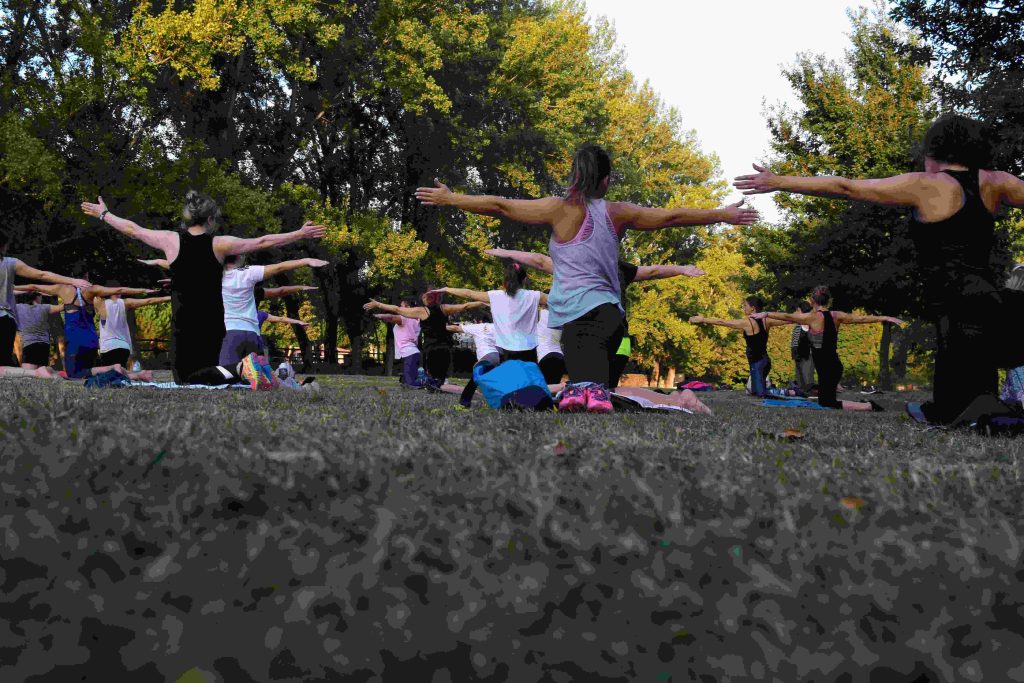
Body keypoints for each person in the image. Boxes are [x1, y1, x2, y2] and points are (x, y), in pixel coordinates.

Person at [417, 144, 757, 413]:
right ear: (606, 180)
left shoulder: (558, 209)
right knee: (590, 391)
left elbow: (501, 206)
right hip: (609, 317)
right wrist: (721, 215)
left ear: (574, 176)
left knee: (594, 395)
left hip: (586, 319)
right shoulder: (618, 212)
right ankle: (671, 400)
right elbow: (671, 216)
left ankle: (679, 401)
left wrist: (452, 199)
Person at [735, 113, 1024, 424]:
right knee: (968, 403)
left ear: (934, 153)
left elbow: (846, 187)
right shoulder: (997, 181)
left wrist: (779, 182)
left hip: (955, 310)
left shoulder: (927, 184)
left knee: (963, 413)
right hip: (988, 301)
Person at [81, 191, 326, 383]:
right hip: (213, 322)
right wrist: (299, 234)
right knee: (205, 374)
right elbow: (262, 242)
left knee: (186, 378)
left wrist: (105, 214)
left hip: (184, 322)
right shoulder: (220, 244)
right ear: (210, 220)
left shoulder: (170, 240)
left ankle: (242, 367)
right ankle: (251, 370)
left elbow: (132, 230)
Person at [486, 247, 705, 388]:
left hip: (621, 333)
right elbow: (541, 261)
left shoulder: (622, 268)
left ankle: (606, 393)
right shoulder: (576, 267)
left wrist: (682, 269)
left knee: (616, 368)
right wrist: (509, 253)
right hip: (587, 332)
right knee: (590, 380)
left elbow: (654, 271)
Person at [753, 285, 903, 410]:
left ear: (812, 301)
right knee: (824, 400)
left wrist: (765, 313)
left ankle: (869, 406)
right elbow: (862, 318)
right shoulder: (837, 315)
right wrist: (884, 317)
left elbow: (786, 316)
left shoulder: (811, 317)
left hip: (828, 367)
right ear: (828, 300)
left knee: (827, 403)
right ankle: (866, 405)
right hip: (832, 365)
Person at [16, 282, 158, 380]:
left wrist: (12, 286)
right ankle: (131, 374)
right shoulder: (92, 291)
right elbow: (119, 290)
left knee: (74, 374)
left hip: (74, 341)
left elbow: (33, 286)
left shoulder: (63, 290)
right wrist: (143, 290)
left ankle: (114, 368)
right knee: (88, 374)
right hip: (91, 340)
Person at [0, 231, 91, 366]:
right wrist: (73, 281)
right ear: (3, 247)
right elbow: (42, 275)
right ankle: (42, 373)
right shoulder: (10, 263)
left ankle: (38, 373)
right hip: (5, 320)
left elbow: (14, 289)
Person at [364, 290, 487, 389]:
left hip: (432, 350)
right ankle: (465, 391)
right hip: (446, 349)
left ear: (426, 299)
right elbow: (465, 306)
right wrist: (483, 302)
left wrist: (378, 304)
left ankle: (467, 393)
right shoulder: (444, 308)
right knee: (440, 381)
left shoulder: (422, 311)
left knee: (436, 385)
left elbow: (397, 310)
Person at [429, 259, 546, 363]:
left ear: (505, 280)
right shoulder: (535, 296)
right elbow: (559, 301)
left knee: (511, 384)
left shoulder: (495, 295)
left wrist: (447, 289)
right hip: (529, 349)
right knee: (529, 384)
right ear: (524, 279)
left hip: (508, 350)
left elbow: (469, 293)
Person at [219, 255, 327, 366]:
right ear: (240, 258)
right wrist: (305, 262)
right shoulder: (251, 280)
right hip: (253, 335)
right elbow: (280, 279)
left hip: (231, 332)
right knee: (251, 377)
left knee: (227, 373)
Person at [689, 296, 788, 397]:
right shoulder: (766, 320)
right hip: (764, 361)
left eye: (745, 305)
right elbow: (785, 319)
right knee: (754, 392)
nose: (743, 308)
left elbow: (723, 322)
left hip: (757, 364)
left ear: (753, 308)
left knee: (760, 396)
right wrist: (798, 318)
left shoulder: (747, 322)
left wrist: (703, 319)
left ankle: (788, 392)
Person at [95, 285, 171, 368]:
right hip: (123, 345)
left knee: (108, 375)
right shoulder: (126, 302)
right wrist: (169, 297)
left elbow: (93, 291)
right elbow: (149, 301)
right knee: (122, 373)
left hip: (107, 345)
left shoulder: (100, 303)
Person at [446, 318, 500, 407]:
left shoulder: (478, 326)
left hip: (486, 357)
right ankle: (505, 403)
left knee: (474, 380)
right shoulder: (498, 328)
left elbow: (455, 328)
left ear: (479, 321)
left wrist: (437, 327)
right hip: (497, 357)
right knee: (491, 381)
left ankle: (464, 403)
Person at [373, 296, 423, 387]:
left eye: (402, 306)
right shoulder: (417, 319)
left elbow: (391, 317)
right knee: (408, 379)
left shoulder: (404, 318)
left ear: (408, 307)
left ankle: (425, 382)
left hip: (409, 353)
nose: (400, 308)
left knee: (411, 384)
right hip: (413, 353)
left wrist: (379, 316)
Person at [14, 291, 62, 369]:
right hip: (44, 346)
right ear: (38, 297)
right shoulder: (45, 307)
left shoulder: (18, 307)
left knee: (29, 375)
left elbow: (5, 299)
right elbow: (63, 306)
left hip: (29, 344)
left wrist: (23, 291)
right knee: (41, 376)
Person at [789, 300, 815, 393]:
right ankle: (801, 391)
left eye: (797, 311)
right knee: (799, 374)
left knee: (806, 374)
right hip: (797, 353)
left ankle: (810, 392)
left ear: (800, 310)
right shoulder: (798, 323)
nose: (795, 313)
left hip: (806, 354)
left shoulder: (807, 323)